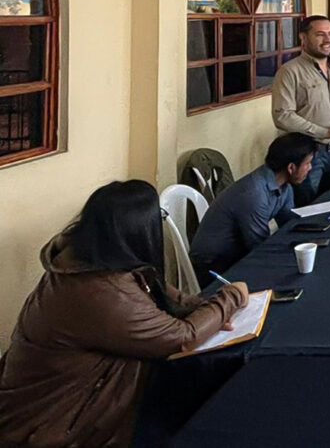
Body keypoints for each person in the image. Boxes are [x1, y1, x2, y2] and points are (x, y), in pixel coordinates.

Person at [0, 181, 248, 446]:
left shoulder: (89, 259)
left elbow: (160, 293)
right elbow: (182, 337)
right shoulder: (100, 290)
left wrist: (202, 307)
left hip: (68, 405)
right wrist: (230, 297)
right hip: (53, 426)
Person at [190, 133, 315, 282]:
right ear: (291, 167)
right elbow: (259, 247)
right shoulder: (254, 193)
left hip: (239, 251)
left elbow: (288, 225)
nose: (310, 168)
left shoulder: (284, 187)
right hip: (213, 264)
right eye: (307, 163)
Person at [271, 15, 330, 204]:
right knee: (309, 206)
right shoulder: (289, 71)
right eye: (320, 34)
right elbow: (283, 116)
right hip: (307, 154)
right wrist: (325, 132)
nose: (327, 40)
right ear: (303, 38)